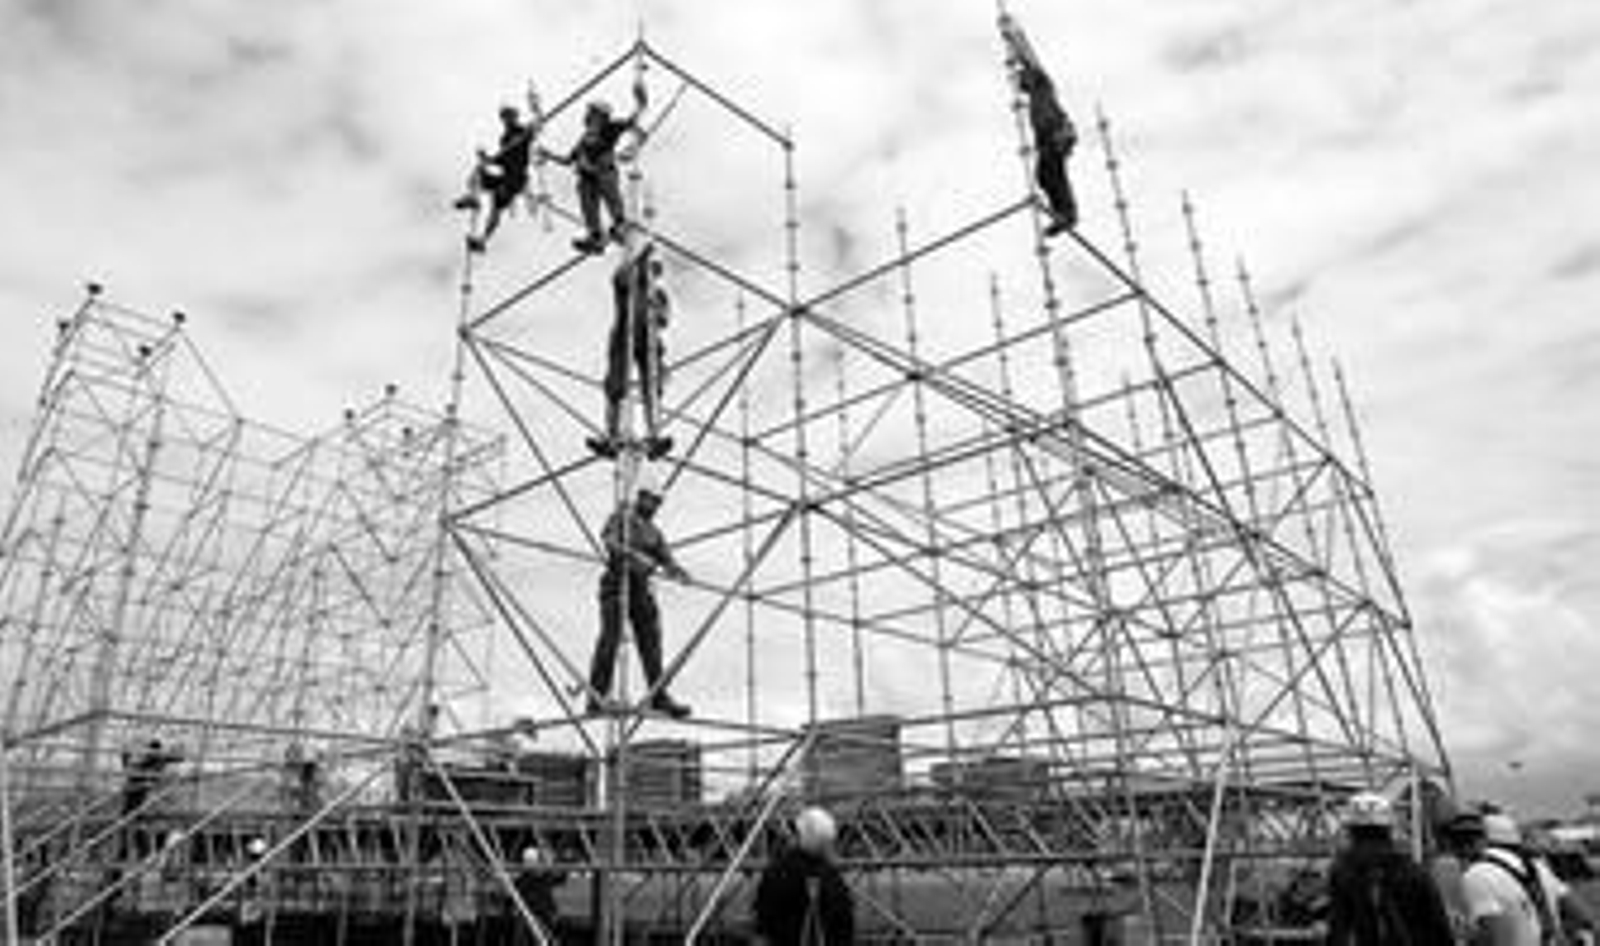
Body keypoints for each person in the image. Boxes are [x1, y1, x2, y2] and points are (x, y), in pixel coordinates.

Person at [586, 487, 692, 718]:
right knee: (610, 639)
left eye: (657, 503)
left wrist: (678, 571)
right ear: (640, 498)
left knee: (651, 642)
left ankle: (658, 696)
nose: (653, 506)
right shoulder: (622, 518)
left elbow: (666, 559)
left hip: (640, 588)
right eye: (650, 500)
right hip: (616, 581)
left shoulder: (654, 532)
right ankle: (596, 697)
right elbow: (609, 541)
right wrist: (633, 555)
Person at [1324, 791, 1454, 946]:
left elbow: (1338, 931)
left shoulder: (1342, 873)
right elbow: (1440, 929)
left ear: (1351, 831)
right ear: (1388, 829)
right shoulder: (1415, 872)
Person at [588, 242, 673, 459]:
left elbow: (664, 320)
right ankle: (612, 436)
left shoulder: (658, 293)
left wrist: (657, 310)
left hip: (648, 340)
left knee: (652, 389)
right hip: (624, 333)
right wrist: (641, 257)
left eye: (655, 269)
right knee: (616, 387)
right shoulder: (628, 279)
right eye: (651, 267)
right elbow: (621, 278)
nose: (652, 272)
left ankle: (654, 435)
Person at [1462, 811, 1596, 946]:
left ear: (1479, 841)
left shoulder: (1477, 875)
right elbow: (1585, 916)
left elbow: (1497, 936)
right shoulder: (1538, 867)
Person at [998, 13, 1079, 236]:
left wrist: (1012, 35)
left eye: (1022, 80)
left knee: (1053, 172)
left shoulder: (1042, 82)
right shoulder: (1035, 98)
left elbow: (1028, 54)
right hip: (1048, 137)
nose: (1021, 84)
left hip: (1057, 132)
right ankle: (1061, 213)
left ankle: (1068, 213)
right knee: (1044, 175)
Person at [542, 83, 647, 254]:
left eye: (591, 113)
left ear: (599, 115)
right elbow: (568, 160)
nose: (587, 116)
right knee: (587, 202)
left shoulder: (609, 128)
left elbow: (631, 121)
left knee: (610, 194)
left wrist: (641, 103)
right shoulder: (584, 139)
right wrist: (548, 155)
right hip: (587, 177)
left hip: (603, 172)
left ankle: (619, 225)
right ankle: (596, 236)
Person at [754, 806, 855, 946]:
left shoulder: (778, 872)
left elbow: (763, 925)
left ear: (799, 834)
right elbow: (845, 927)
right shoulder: (834, 878)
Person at [456, 104, 537, 253]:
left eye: (509, 116)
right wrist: (486, 158)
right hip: (505, 175)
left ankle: (482, 240)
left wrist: (530, 130)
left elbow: (531, 135)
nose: (506, 119)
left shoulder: (520, 130)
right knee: (478, 172)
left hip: (516, 179)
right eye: (504, 117)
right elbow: (501, 161)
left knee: (496, 207)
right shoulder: (504, 138)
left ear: (514, 116)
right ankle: (473, 198)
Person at [510, 846, 565, 945]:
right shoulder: (525, 880)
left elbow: (560, 878)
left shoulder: (541, 877)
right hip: (532, 915)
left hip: (540, 915)